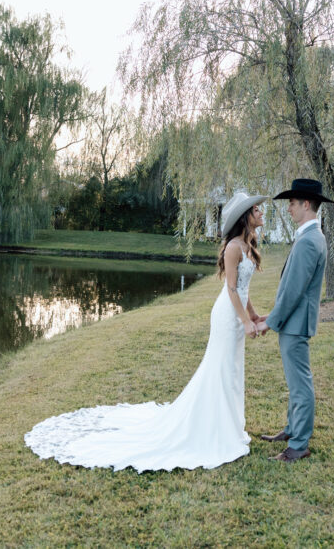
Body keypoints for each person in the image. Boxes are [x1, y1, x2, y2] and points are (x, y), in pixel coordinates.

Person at [24, 191, 269, 472]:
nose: (261, 213)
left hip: (237, 315)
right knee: (221, 368)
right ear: (245, 217)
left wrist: (252, 315)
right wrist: (244, 320)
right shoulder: (234, 248)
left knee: (232, 369)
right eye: (257, 210)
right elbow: (230, 288)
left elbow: (243, 289)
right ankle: (214, 429)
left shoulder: (250, 245)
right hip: (226, 316)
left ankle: (228, 427)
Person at [255, 178, 332, 463]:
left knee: (300, 385)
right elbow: (292, 289)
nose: (288, 208)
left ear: (306, 205)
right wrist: (272, 316)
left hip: (296, 323)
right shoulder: (309, 236)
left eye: (292, 203)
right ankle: (291, 429)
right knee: (295, 381)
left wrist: (269, 322)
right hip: (294, 321)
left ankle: (299, 444)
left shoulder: (310, 241)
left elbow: (294, 292)